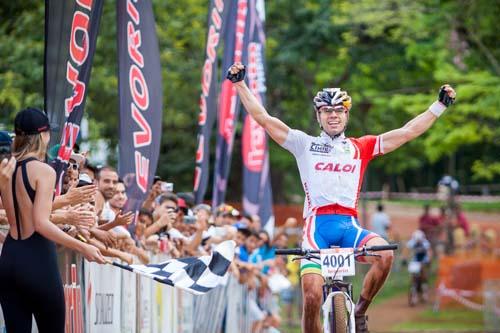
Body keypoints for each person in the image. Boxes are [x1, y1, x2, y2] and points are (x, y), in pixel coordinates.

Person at [227, 62, 456, 332]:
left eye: (338, 110)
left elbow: (407, 133)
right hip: (317, 228)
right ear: (318, 116)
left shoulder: (361, 147)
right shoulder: (305, 144)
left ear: (346, 115)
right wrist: (240, 83)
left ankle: (359, 311)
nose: (332, 115)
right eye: (326, 111)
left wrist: (439, 106)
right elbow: (264, 119)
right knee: (312, 294)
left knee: (385, 256)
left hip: (349, 226)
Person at [0, 107, 106, 332]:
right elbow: (41, 223)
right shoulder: (43, 171)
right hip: (37, 259)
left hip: (10, 256)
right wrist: (82, 246)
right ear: (42, 135)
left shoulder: (5, 168)